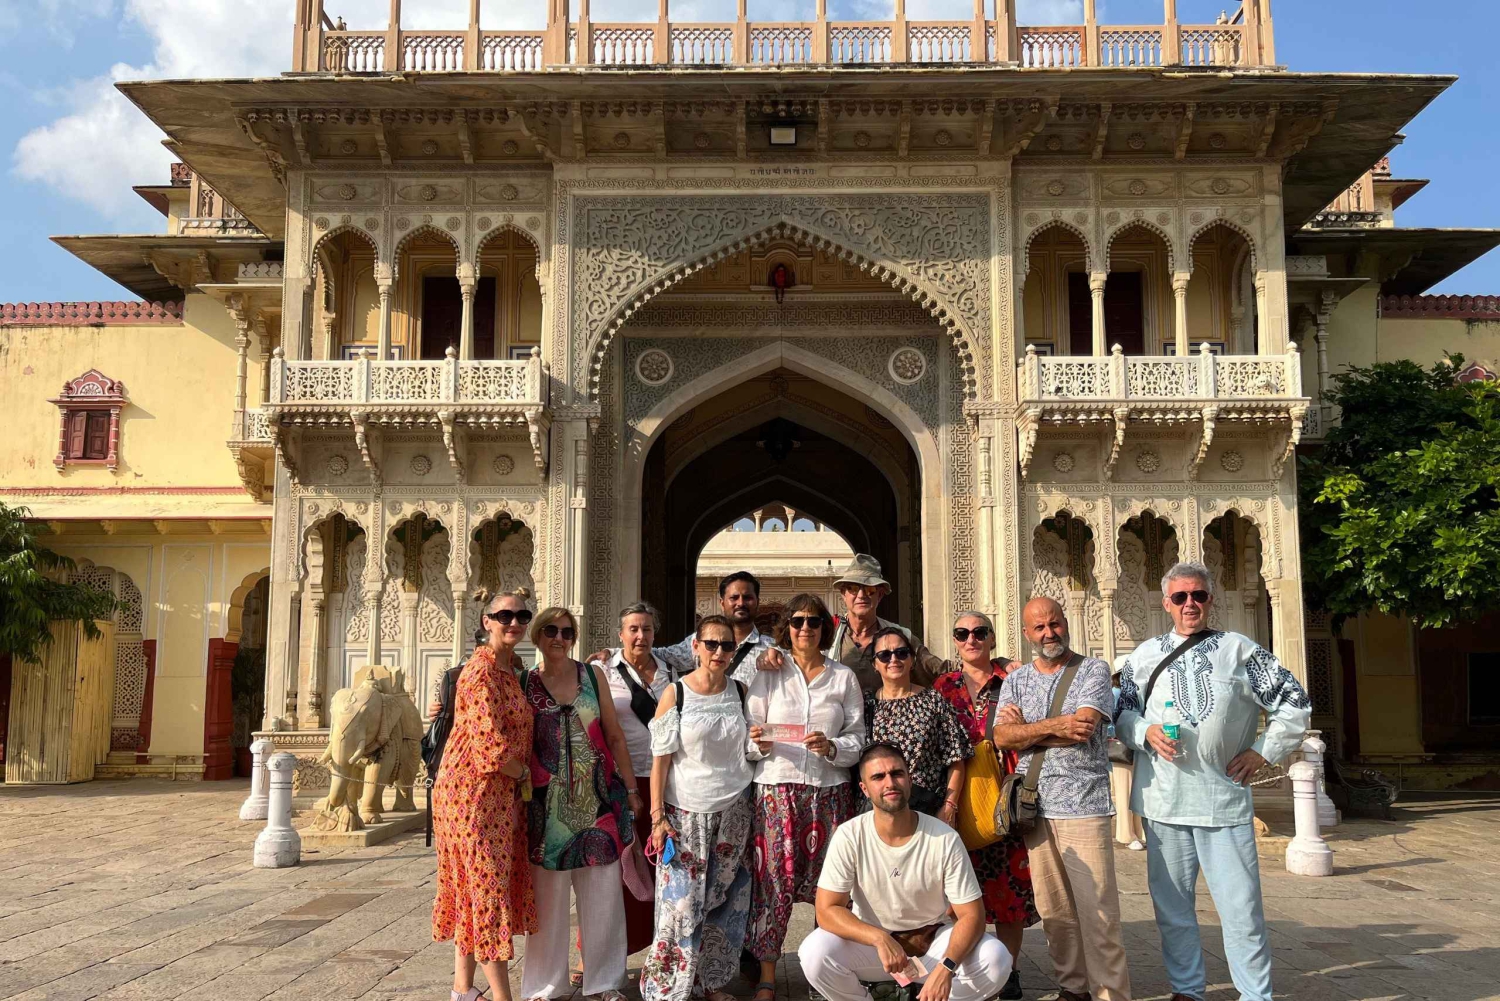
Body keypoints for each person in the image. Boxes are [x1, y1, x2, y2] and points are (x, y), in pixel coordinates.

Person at [1114, 561, 1311, 1001]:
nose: (1190, 604)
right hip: (1163, 801)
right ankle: (1187, 989)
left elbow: (1294, 703)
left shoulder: (1240, 651)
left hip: (1223, 801)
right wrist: (1143, 731)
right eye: (1180, 597)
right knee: (1173, 909)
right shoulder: (1144, 656)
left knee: (1241, 909)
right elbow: (1121, 713)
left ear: (1210, 600)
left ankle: (1255, 994)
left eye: (1198, 595)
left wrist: (1262, 751)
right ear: (1166, 603)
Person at [798, 741, 1013, 1001]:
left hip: (933, 942)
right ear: (864, 789)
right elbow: (826, 910)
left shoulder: (944, 837)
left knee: (996, 959)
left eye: (897, 773)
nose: (890, 783)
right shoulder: (849, 835)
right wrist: (878, 938)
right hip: (873, 947)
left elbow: (972, 916)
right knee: (814, 952)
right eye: (878, 777)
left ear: (910, 780)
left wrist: (946, 968)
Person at [993, 596, 1130, 1001]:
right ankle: (1073, 988)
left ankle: (1110, 994)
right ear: (1026, 633)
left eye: (1054, 624)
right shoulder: (1017, 680)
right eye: (1039, 627)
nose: (1049, 633)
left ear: (1065, 623)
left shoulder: (1092, 670)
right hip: (1035, 805)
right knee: (1055, 911)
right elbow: (1002, 737)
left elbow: (1084, 727)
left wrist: (1029, 731)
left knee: (1098, 911)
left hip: (1084, 804)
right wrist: (1056, 727)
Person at [743, 592, 865, 1001]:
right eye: (797, 621)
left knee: (830, 886)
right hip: (777, 791)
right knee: (772, 882)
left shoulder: (842, 677)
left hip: (829, 792)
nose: (805, 628)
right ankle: (767, 974)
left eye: (814, 621)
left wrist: (832, 747)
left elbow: (857, 736)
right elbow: (748, 731)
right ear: (787, 627)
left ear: (824, 628)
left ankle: (822, 971)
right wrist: (757, 743)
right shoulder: (769, 672)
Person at [520, 607, 642, 1001]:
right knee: (548, 900)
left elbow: (614, 735)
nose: (559, 638)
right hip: (546, 810)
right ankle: (545, 986)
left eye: (567, 632)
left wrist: (632, 790)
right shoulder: (525, 682)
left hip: (598, 802)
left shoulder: (592, 676)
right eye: (551, 630)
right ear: (537, 636)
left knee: (603, 896)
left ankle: (605, 982)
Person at [639, 615, 756, 1001]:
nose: (719, 651)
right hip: (686, 814)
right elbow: (660, 761)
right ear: (696, 646)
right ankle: (667, 990)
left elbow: (747, 748)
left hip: (734, 810)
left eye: (727, 645)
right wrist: (657, 817)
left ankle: (712, 983)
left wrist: (760, 743)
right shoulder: (676, 693)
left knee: (725, 901)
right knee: (681, 906)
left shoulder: (741, 691)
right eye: (711, 644)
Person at [431, 589, 537, 1001]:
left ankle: (462, 990)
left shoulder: (510, 668)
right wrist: (525, 774)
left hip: (494, 794)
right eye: (504, 615)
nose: (514, 623)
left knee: (473, 887)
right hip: (472, 796)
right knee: (487, 889)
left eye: (522, 616)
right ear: (486, 621)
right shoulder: (481, 672)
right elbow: (490, 747)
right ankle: (502, 998)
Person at [931, 611, 1038, 1001]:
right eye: (962, 633)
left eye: (979, 632)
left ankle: (1009, 970)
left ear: (992, 638)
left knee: (1010, 888)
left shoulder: (1014, 679)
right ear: (955, 641)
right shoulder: (944, 685)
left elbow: (1037, 724)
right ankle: (965, 964)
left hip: (1004, 794)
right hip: (958, 796)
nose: (971, 639)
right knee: (958, 890)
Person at [594, 601, 674, 958]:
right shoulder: (602, 671)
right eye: (633, 629)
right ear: (620, 634)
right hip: (618, 782)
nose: (641, 636)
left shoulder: (671, 670)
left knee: (660, 865)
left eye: (647, 629)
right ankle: (597, 953)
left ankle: (659, 946)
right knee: (616, 867)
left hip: (664, 781)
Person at [756, 555, 943, 693]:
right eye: (853, 589)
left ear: (880, 595)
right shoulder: (826, 632)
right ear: (843, 594)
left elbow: (937, 671)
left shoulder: (900, 637)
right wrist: (773, 653)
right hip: (841, 725)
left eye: (869, 590)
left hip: (888, 724)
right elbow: (796, 655)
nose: (861, 595)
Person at [589, 572, 775, 686]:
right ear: (722, 603)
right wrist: (615, 653)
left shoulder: (771, 648)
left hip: (752, 735)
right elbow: (661, 655)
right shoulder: (701, 641)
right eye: (734, 598)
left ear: (757, 601)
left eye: (747, 598)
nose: (741, 603)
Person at [863, 626, 971, 822]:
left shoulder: (933, 701)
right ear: (875, 664)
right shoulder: (867, 706)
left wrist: (949, 806)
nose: (894, 660)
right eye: (885, 655)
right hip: (880, 811)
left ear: (912, 659)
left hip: (928, 810)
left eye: (901, 653)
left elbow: (956, 759)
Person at [1108, 665, 1146, 852]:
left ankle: (1139, 832)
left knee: (1138, 792)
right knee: (1125, 792)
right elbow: (1109, 722)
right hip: (1122, 749)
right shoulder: (1116, 693)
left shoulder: (1134, 694)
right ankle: (1126, 834)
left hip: (1137, 748)